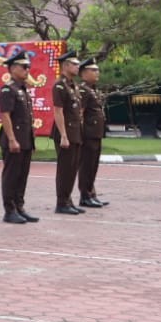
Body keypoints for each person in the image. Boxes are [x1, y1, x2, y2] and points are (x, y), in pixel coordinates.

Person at [0, 51, 39, 224]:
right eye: (24, 67)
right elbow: (5, 115)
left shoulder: (23, 89)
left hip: (25, 139)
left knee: (22, 175)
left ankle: (19, 206)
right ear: (13, 68)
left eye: (28, 66)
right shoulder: (8, 89)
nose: (27, 70)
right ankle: (10, 210)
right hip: (14, 139)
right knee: (11, 175)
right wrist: (12, 139)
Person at [51, 51, 85, 214]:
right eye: (75, 64)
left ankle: (68, 199)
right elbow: (58, 111)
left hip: (75, 131)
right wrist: (63, 134)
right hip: (65, 132)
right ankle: (61, 202)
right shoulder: (59, 85)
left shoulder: (73, 85)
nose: (78, 67)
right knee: (65, 168)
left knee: (73, 168)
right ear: (66, 66)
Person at [77, 57, 109, 207]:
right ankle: (85, 195)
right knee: (86, 166)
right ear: (83, 73)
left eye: (97, 70)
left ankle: (91, 193)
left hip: (95, 133)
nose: (97, 73)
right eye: (93, 70)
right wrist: (80, 133)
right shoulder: (83, 90)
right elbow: (80, 113)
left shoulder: (92, 90)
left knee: (93, 165)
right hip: (87, 134)